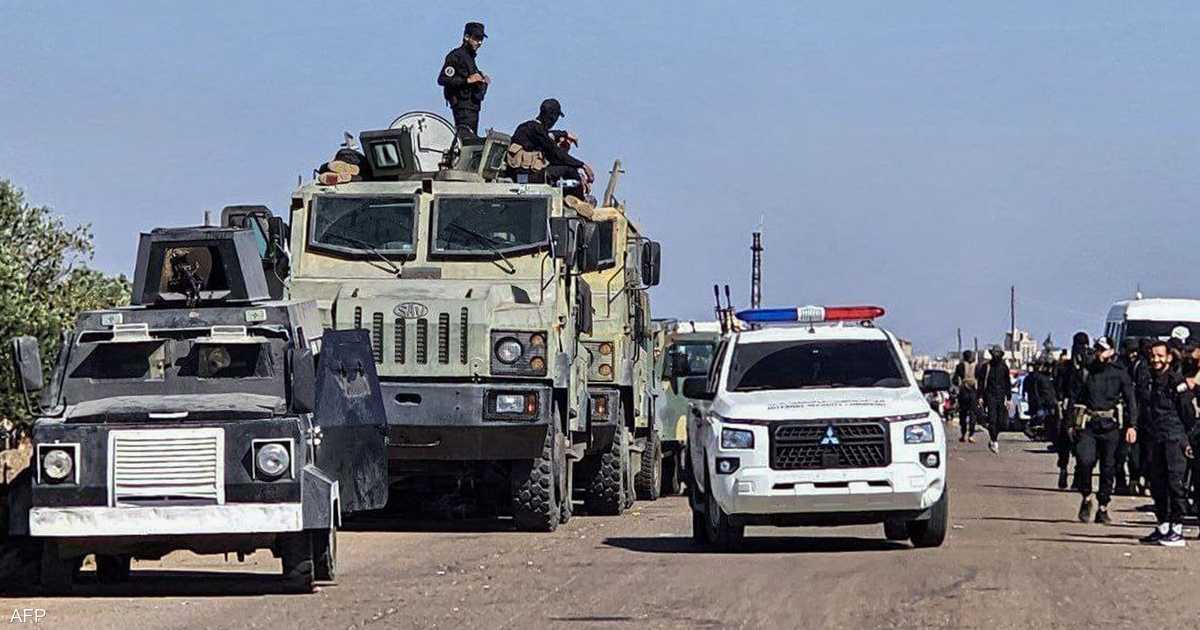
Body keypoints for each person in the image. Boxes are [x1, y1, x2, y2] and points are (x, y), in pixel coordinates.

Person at [1072, 337, 1138, 524]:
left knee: (1109, 467)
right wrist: (1070, 424)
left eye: (1103, 349)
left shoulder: (1120, 373)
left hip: (1111, 427)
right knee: (1084, 461)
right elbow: (1074, 398)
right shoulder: (1086, 372)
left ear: (1111, 352)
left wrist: (1132, 425)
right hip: (1089, 425)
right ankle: (1086, 496)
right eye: (1097, 349)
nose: (1099, 353)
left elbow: (1131, 400)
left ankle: (1103, 506)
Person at [1138, 341, 1195, 546]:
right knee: (1157, 484)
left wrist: (1184, 438)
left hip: (1174, 438)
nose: (1156, 360)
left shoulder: (1176, 381)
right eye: (1153, 356)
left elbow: (1188, 414)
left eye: (1160, 356)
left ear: (1169, 357)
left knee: (1175, 484)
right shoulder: (1149, 380)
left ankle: (1177, 529)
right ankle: (1163, 526)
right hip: (1155, 439)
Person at [507, 99, 595, 193]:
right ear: (552, 117)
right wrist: (582, 165)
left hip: (520, 176)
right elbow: (556, 154)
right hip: (528, 178)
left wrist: (564, 134)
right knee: (570, 171)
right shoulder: (537, 130)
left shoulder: (526, 127)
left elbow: (547, 136)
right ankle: (579, 198)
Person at [438, 21, 490, 140]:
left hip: (472, 106)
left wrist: (482, 81)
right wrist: (467, 80)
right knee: (467, 140)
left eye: (481, 39)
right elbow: (443, 79)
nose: (479, 42)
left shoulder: (470, 58)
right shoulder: (456, 56)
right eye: (476, 38)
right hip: (462, 107)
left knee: (472, 139)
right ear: (467, 37)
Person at [1115, 338, 1151, 495]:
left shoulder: (1137, 365)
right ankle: (1132, 481)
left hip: (1136, 413)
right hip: (1133, 414)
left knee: (1134, 451)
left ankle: (1135, 480)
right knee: (1128, 450)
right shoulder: (1132, 366)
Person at [978, 346, 1012, 455]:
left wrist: (1009, 398)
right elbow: (981, 383)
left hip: (1001, 397)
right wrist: (980, 397)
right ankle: (994, 441)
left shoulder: (1004, 367)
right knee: (992, 420)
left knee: (1002, 422)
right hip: (990, 396)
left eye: (998, 353)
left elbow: (1007, 383)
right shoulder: (986, 367)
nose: (996, 355)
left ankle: (994, 437)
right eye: (994, 353)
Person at [952, 350, 980, 443]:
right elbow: (981, 379)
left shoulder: (960, 366)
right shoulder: (977, 366)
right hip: (973, 391)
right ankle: (971, 435)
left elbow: (955, 380)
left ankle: (963, 434)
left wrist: (959, 384)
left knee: (963, 414)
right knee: (973, 414)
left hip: (963, 392)